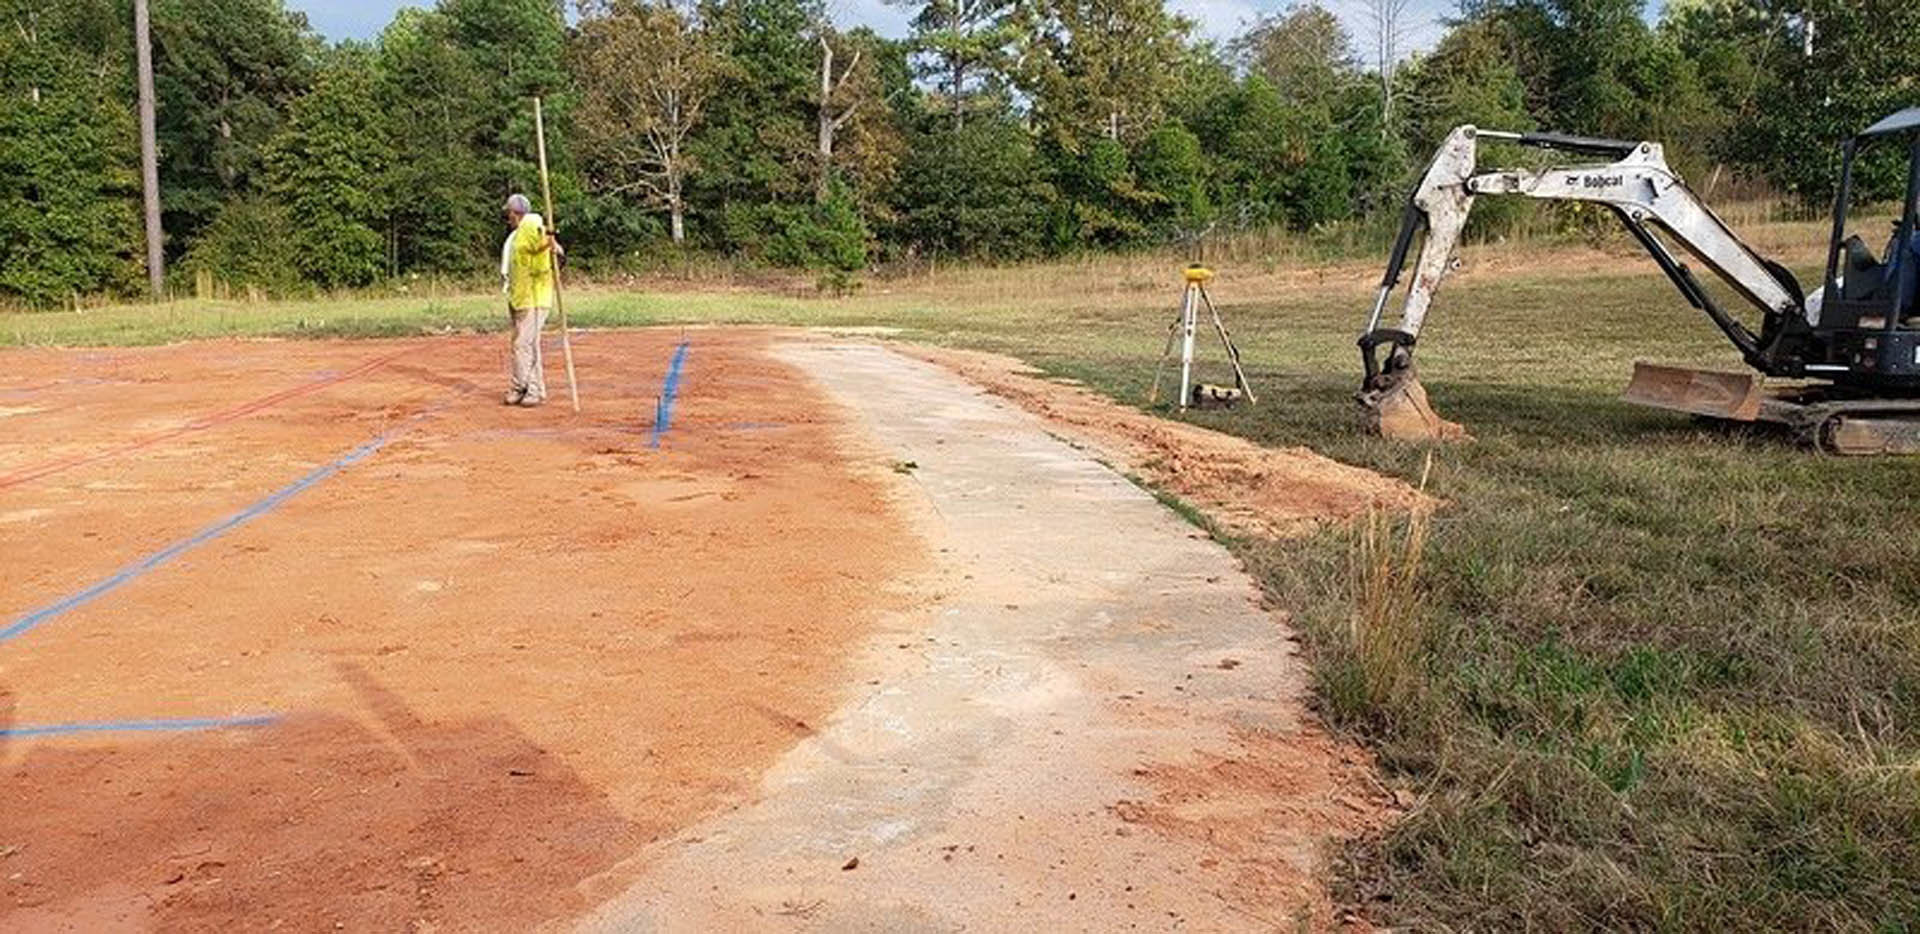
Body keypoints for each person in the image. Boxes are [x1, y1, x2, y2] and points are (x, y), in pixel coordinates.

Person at [501, 193, 562, 406]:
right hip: (520, 296)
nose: (506, 217)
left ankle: (531, 388)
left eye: (508, 212)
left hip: (534, 297)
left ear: (514, 213)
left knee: (525, 344)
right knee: (522, 344)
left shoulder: (530, 225)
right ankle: (522, 386)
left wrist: (550, 241)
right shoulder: (516, 234)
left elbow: (542, 241)